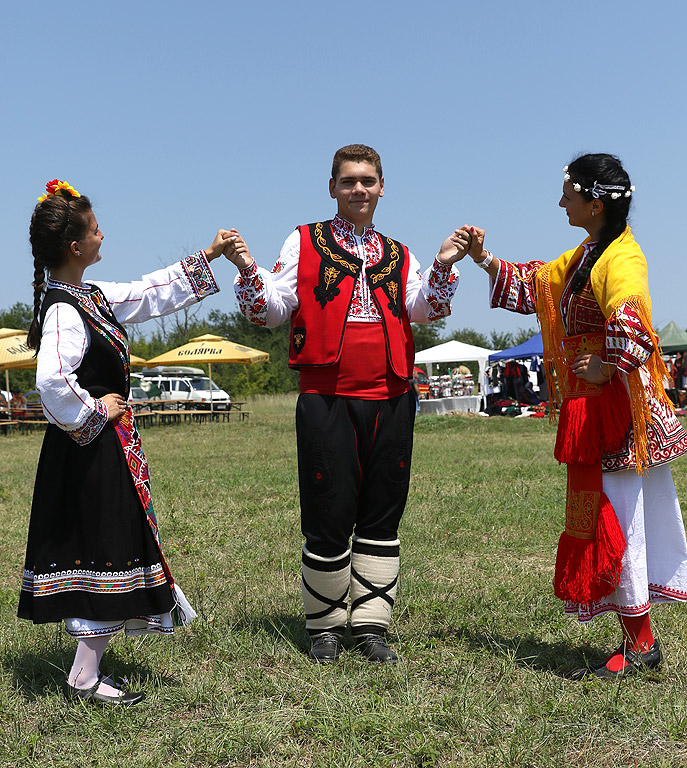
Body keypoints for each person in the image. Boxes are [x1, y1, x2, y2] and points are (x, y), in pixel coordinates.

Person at [229, 144, 466, 663]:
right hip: (327, 394)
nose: (358, 189)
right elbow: (270, 312)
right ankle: (326, 626)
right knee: (328, 508)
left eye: (367, 180)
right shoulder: (304, 241)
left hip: (393, 394)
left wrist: (445, 263)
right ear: (332, 188)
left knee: (383, 511)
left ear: (382, 187)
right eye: (348, 181)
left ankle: (372, 626)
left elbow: (427, 309)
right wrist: (247, 267)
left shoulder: (402, 254)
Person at [461, 154, 687, 678]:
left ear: (595, 201)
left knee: (620, 519)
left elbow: (633, 316)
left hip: (619, 413)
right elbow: (539, 285)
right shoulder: (589, 254)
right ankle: (641, 639)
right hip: (606, 407)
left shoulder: (620, 259)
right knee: (618, 515)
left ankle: (641, 644)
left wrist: (609, 363)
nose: (561, 201)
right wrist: (484, 258)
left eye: (568, 192)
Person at [18, 179, 233, 704]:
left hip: (100, 450)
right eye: (95, 230)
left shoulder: (86, 296)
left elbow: (147, 292)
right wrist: (96, 411)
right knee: (107, 552)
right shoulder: (65, 309)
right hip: (89, 452)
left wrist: (208, 256)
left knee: (109, 551)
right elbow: (50, 381)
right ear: (75, 247)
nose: (102, 235)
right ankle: (84, 679)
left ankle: (84, 674)